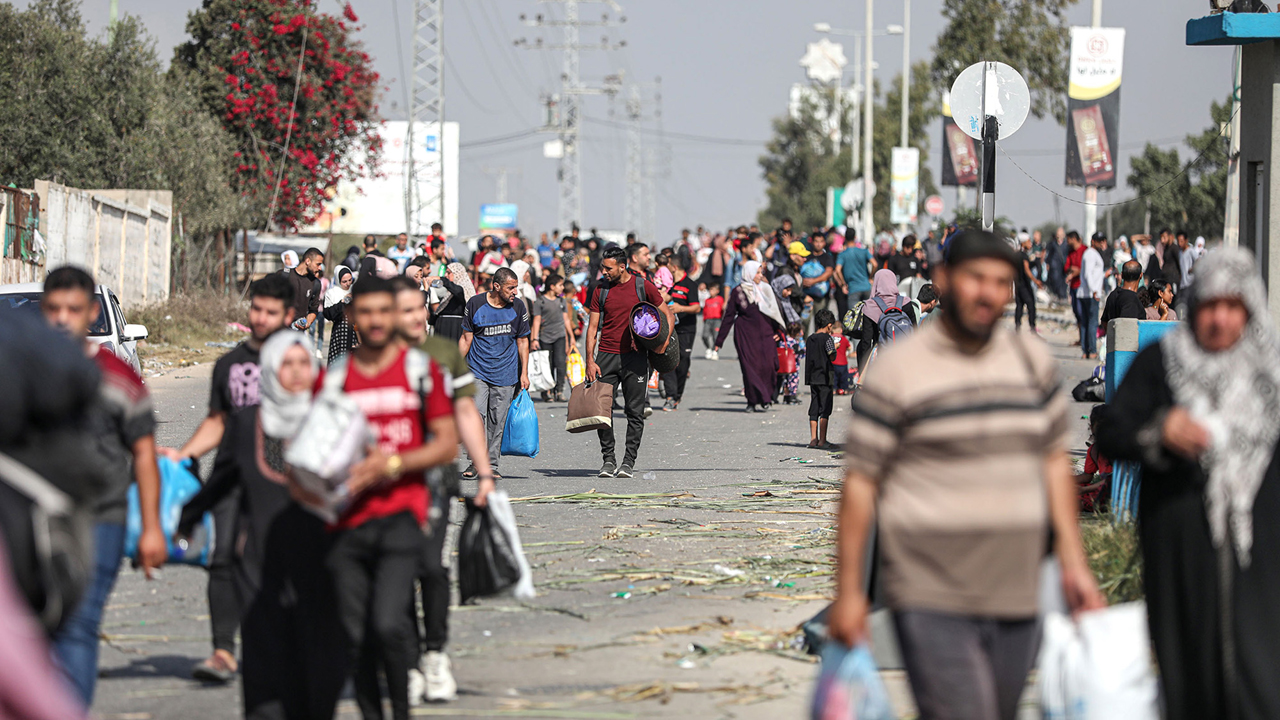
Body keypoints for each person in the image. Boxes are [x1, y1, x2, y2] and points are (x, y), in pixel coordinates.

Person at [828, 229, 1105, 720]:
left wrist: (1074, 564)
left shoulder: (1030, 363)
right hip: (929, 588)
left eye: (1002, 282)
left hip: (1019, 590)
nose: (988, 292)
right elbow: (861, 486)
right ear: (945, 280)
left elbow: (1050, 469)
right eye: (976, 278)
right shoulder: (900, 369)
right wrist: (849, 593)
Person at [1095, 248, 1280, 720]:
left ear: (1250, 307)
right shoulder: (1165, 362)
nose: (1219, 319)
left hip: (1262, 560)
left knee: (1260, 677)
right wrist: (1159, 430)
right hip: (1181, 553)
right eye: (1209, 305)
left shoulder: (1272, 372)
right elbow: (1112, 431)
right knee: (1188, 675)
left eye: (1232, 306)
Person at [176, 332, 348, 720]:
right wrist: (186, 518)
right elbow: (220, 481)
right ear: (270, 369)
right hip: (259, 570)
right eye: (287, 364)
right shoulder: (247, 423)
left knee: (318, 683)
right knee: (265, 691)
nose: (297, 373)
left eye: (304, 363)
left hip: (323, 570)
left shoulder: (337, 419)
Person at [319, 276, 458, 720]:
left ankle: (404, 703)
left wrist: (392, 465)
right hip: (348, 521)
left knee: (387, 622)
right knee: (356, 635)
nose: (376, 321)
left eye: (385, 311)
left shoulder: (421, 371)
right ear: (352, 317)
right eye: (367, 312)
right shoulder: (337, 378)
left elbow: (444, 445)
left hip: (403, 515)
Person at [160, 274, 296, 683]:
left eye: (271, 312)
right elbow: (217, 422)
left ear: (289, 315)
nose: (261, 318)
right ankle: (223, 651)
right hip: (229, 478)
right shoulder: (229, 364)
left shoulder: (298, 361)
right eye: (256, 308)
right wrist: (183, 454)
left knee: (276, 561)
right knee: (222, 560)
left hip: (279, 481)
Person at [41, 267, 166, 706]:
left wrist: (150, 528)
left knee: (78, 623)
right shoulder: (22, 370)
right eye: (53, 308)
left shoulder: (118, 377)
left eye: (73, 310)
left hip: (102, 518)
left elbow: (145, 453)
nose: (62, 319)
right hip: (36, 520)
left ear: (91, 312)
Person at [389, 276, 494, 704]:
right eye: (405, 311)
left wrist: (484, 473)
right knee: (394, 578)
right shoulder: (373, 359)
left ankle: (435, 655)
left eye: (420, 309)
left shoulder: (442, 353)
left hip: (435, 482)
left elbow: (466, 412)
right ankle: (409, 662)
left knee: (430, 569)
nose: (415, 318)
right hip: (385, 488)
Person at [585, 246, 672, 478]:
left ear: (622, 267)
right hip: (606, 357)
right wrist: (589, 362)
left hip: (635, 357)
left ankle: (628, 462)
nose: (604, 271)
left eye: (608, 268)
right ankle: (608, 459)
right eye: (603, 267)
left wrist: (663, 345)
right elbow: (592, 328)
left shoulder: (642, 286)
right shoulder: (600, 290)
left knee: (635, 412)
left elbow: (667, 313)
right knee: (602, 412)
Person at [459, 267, 530, 480]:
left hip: (506, 374)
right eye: (511, 288)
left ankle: (490, 464)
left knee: (497, 421)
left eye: (516, 287)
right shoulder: (475, 304)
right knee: (476, 417)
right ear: (496, 286)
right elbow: (466, 339)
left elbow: (523, 341)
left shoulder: (518, 307)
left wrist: (524, 373)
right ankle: (475, 462)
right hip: (477, 371)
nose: (515, 292)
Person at [714, 260, 785, 413]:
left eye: (761, 272)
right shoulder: (738, 291)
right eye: (758, 272)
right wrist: (719, 340)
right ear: (749, 273)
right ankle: (752, 401)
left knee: (769, 366)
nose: (760, 276)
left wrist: (779, 332)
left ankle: (767, 396)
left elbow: (775, 311)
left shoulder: (766, 289)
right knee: (750, 368)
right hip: (745, 335)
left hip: (766, 334)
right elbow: (729, 316)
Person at [660, 258, 700, 411]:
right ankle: (670, 396)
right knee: (668, 359)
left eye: (668, 267)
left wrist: (680, 308)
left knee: (683, 362)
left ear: (674, 267)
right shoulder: (667, 285)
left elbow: (696, 308)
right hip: (668, 329)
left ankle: (677, 395)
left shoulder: (690, 285)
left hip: (686, 329)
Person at [855, 269, 908, 373]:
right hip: (904, 355)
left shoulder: (870, 307)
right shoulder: (906, 302)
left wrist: (863, 370)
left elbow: (866, 341)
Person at [532, 273, 571, 403]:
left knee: (560, 364)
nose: (562, 288)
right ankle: (546, 392)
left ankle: (559, 391)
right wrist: (534, 339)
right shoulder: (540, 301)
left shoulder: (561, 301)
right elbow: (536, 321)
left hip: (560, 336)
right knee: (547, 365)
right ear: (552, 286)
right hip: (545, 337)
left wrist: (570, 337)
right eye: (560, 285)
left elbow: (566, 320)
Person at [805, 310, 838, 448]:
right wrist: (835, 348)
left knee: (814, 407)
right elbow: (832, 355)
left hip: (813, 378)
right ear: (829, 326)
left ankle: (813, 439)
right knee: (825, 409)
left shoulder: (810, 339)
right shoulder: (828, 339)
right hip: (825, 377)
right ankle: (823, 440)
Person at [834, 231, 875, 321]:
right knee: (869, 316)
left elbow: (837, 270)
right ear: (855, 237)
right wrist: (870, 277)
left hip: (853, 288)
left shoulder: (842, 254)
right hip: (866, 286)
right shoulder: (864, 251)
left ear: (845, 238)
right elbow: (874, 264)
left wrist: (843, 284)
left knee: (854, 319)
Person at [429, 262, 475, 342]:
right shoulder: (449, 293)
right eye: (445, 272)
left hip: (454, 328)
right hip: (443, 328)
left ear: (458, 274)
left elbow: (458, 291)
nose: (446, 275)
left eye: (449, 273)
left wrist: (442, 280)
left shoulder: (463, 289)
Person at [1078, 233, 1105, 360]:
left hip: (1088, 292)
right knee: (1091, 323)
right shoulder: (1090, 254)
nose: (1101, 243)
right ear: (1093, 241)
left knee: (1086, 323)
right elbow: (1088, 273)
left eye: (1102, 241)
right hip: (1090, 294)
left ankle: (1086, 350)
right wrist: (1094, 290)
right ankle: (1091, 350)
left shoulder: (1094, 254)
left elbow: (1095, 274)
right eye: (1099, 241)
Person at [324, 266, 357, 364]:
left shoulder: (356, 291)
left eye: (350, 280)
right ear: (338, 281)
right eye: (344, 281)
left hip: (355, 333)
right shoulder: (332, 293)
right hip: (340, 334)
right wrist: (343, 302)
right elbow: (329, 314)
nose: (348, 284)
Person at [286, 247, 323, 333]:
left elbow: (313, 310)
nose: (320, 268)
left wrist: (308, 323)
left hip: (298, 334)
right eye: (318, 264)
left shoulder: (315, 283)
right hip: (279, 333)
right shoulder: (284, 276)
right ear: (308, 261)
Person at [1100, 260, 1146, 327]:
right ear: (1141, 275)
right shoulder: (1131, 300)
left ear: (1122, 275)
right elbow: (1126, 326)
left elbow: (1104, 321)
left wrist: (1112, 335)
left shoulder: (1113, 295)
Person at [1014, 233, 1043, 333]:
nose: (1030, 244)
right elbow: (1027, 270)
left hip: (1018, 285)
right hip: (1025, 286)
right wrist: (1036, 281)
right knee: (1031, 306)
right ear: (1023, 243)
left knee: (1019, 307)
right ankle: (1032, 328)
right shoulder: (1023, 256)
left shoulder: (1016, 255)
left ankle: (1017, 328)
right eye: (1029, 241)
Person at [778, 321, 805, 405]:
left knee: (785, 381)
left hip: (784, 365)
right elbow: (798, 355)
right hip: (793, 366)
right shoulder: (795, 343)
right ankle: (792, 396)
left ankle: (786, 396)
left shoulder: (783, 341)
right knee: (793, 381)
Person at [701, 282, 725, 360]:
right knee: (704, 335)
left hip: (717, 320)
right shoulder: (707, 300)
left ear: (717, 291)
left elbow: (723, 309)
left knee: (716, 336)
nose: (711, 292)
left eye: (713, 290)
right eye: (710, 290)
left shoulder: (720, 299)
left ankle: (715, 350)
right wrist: (704, 319)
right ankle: (708, 348)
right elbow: (704, 310)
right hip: (708, 320)